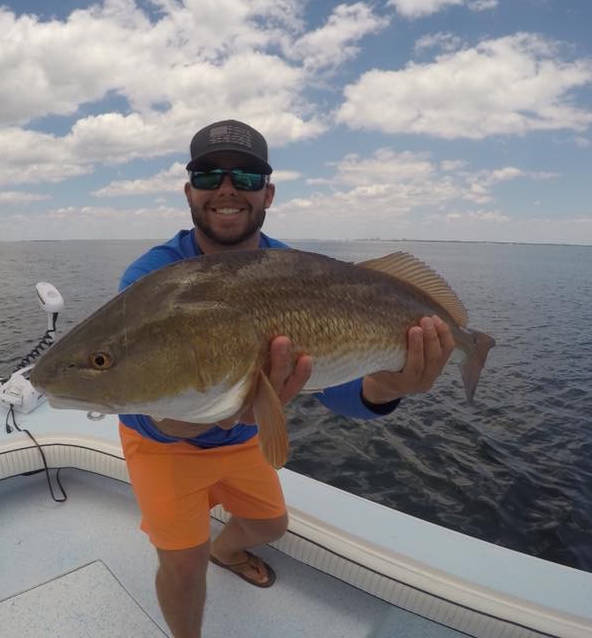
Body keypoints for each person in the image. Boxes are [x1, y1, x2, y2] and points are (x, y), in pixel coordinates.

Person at [117, 119, 456, 638]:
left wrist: (391, 386)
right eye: (208, 175)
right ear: (189, 191)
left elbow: (339, 385)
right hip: (163, 447)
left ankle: (225, 551)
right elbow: (136, 399)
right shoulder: (151, 279)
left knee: (271, 525)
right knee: (182, 566)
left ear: (267, 193)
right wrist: (192, 422)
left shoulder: (296, 271)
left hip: (244, 437)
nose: (227, 188)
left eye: (247, 177)